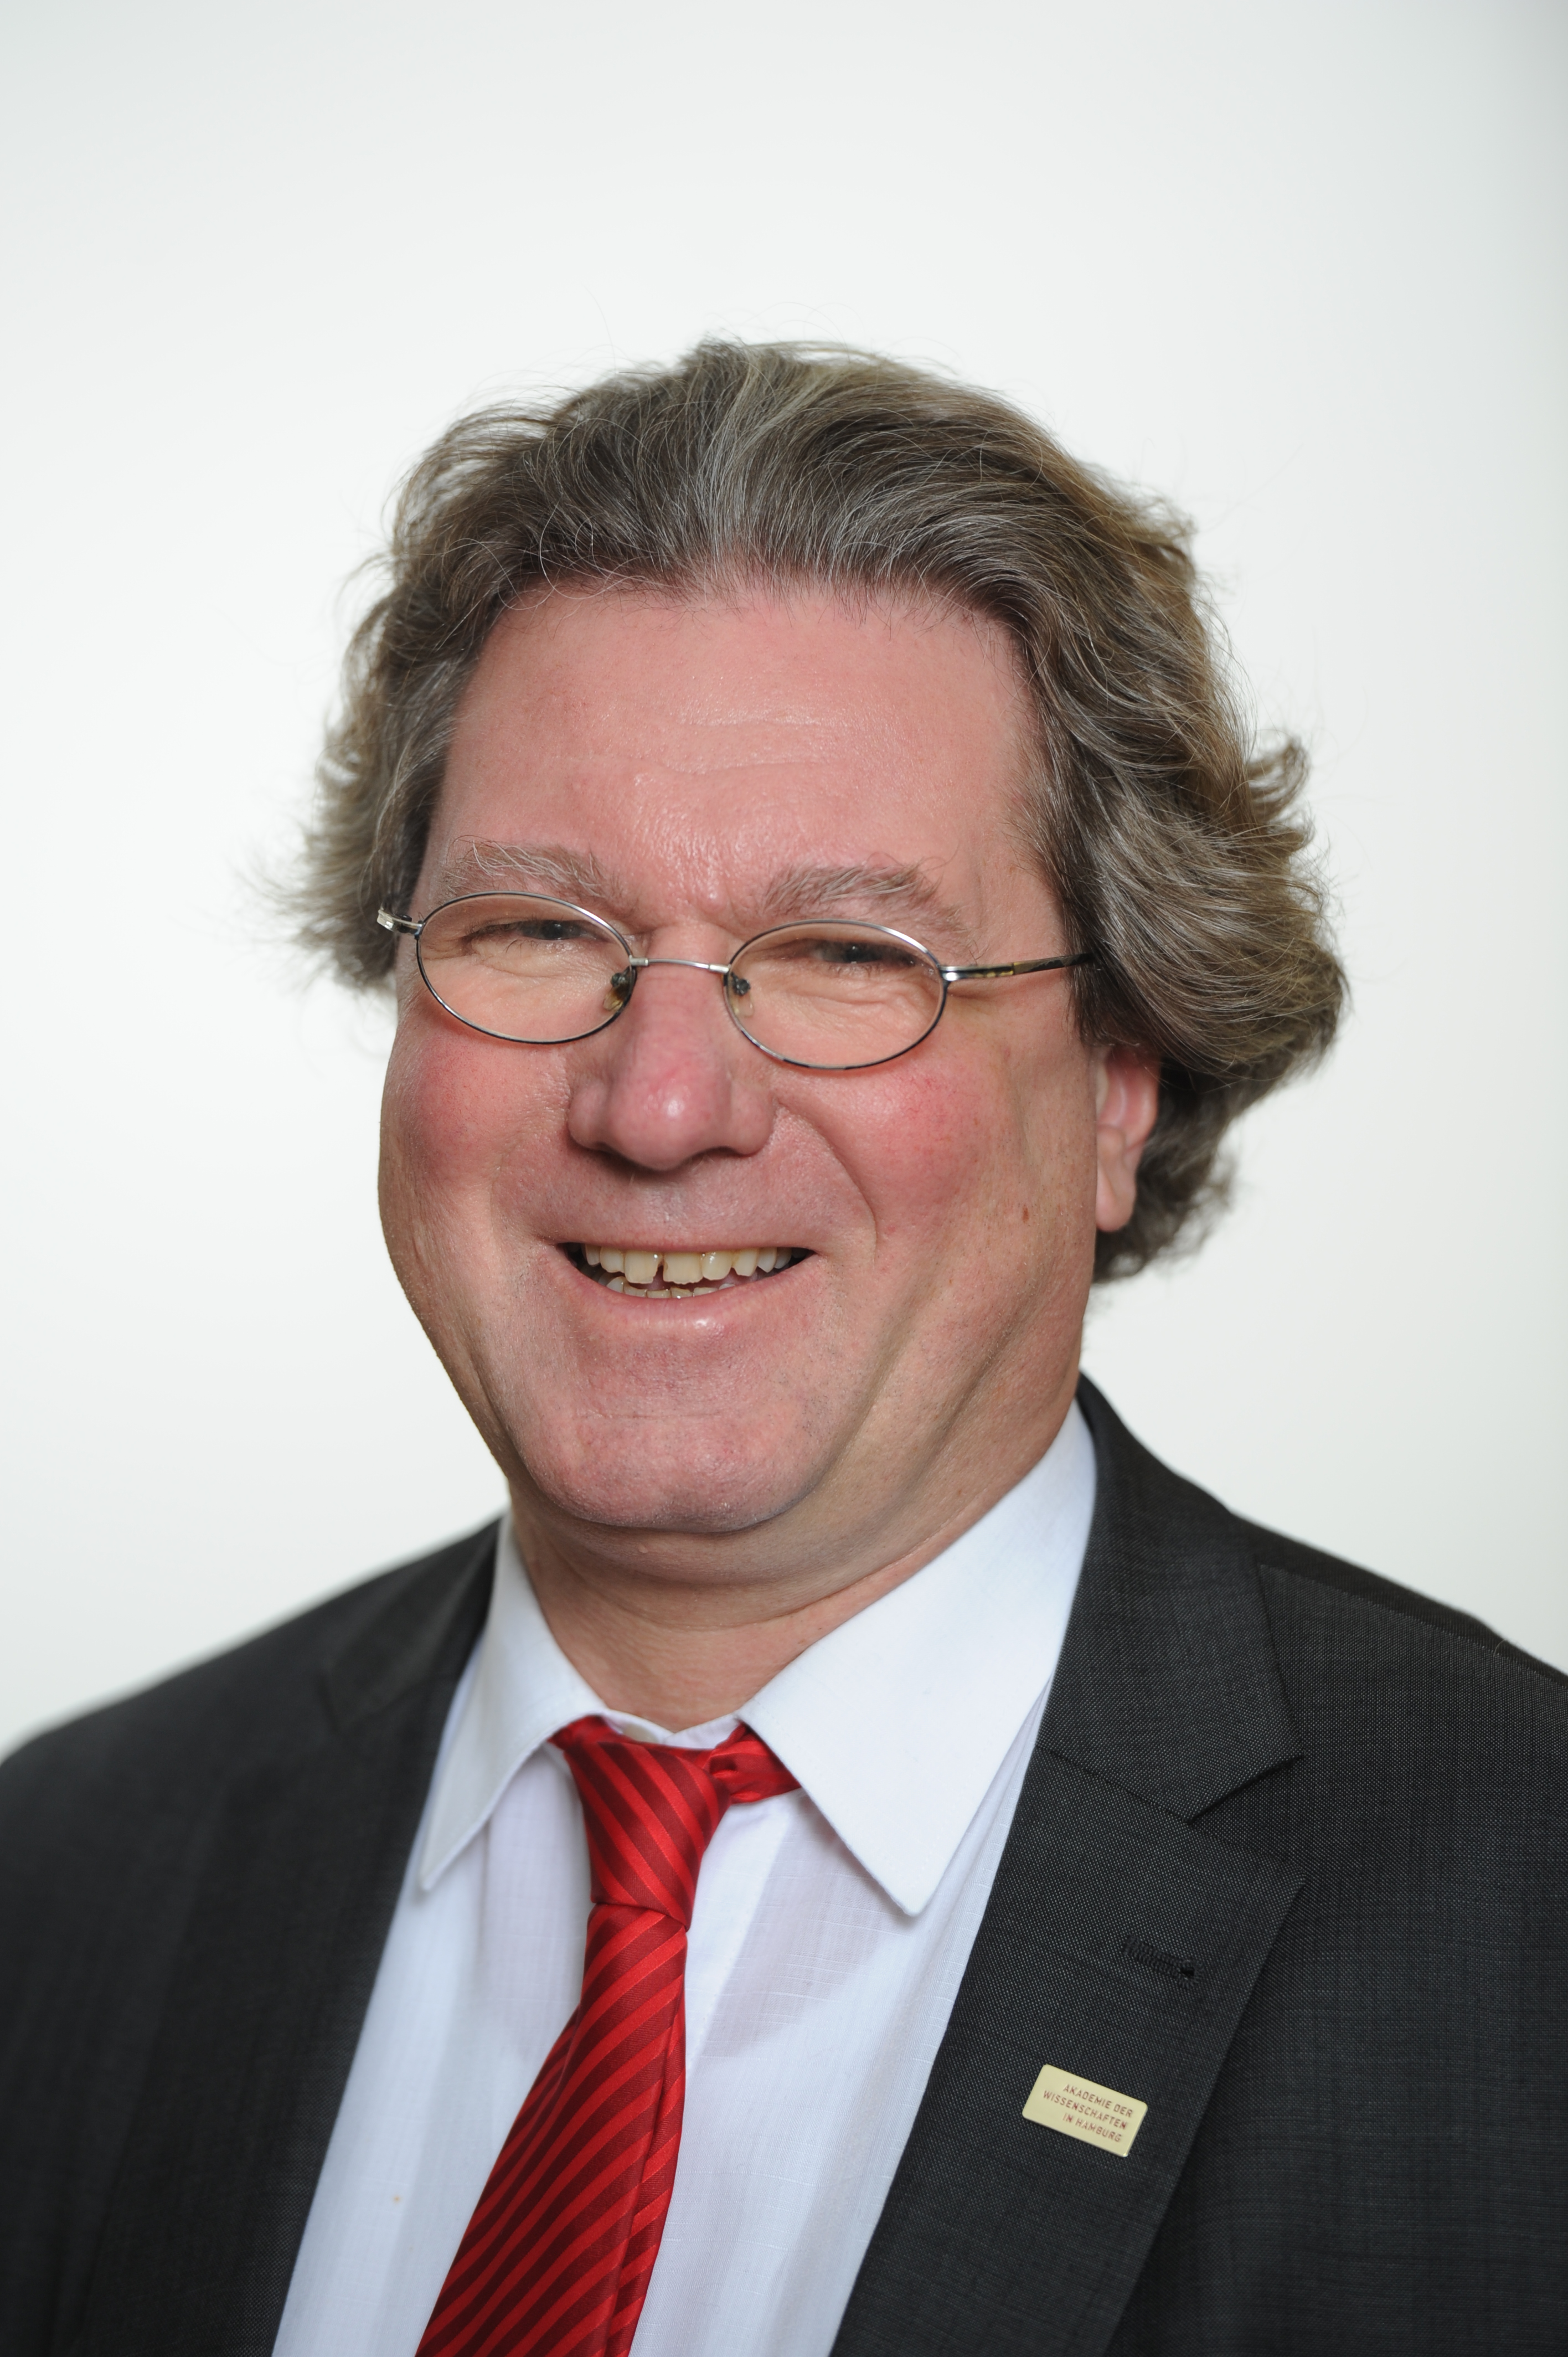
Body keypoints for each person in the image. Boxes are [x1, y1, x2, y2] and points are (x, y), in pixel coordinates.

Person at [2, 342, 1564, 2357]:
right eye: (537, 931)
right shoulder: (68, 1880)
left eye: (845, 957)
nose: (661, 1107)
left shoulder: (1518, 1923)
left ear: (1121, 1078)